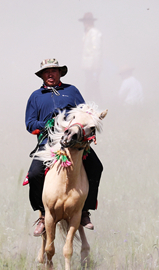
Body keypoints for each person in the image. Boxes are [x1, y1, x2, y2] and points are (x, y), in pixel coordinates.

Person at [25, 59, 104, 236]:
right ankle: (42, 214)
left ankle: (85, 210)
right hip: (48, 142)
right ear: (42, 76)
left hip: (75, 140)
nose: (50, 74)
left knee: (96, 167)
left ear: (60, 73)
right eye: (46, 72)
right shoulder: (35, 96)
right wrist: (46, 124)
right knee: (34, 174)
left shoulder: (72, 90)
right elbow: (30, 124)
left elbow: (85, 112)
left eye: (54, 71)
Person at [80, 12, 102, 100]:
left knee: (93, 84)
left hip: (93, 65)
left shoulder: (94, 33)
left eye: (87, 21)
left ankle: (96, 101)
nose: (85, 23)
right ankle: (90, 100)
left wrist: (96, 65)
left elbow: (96, 49)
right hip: (87, 65)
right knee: (89, 83)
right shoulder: (87, 33)